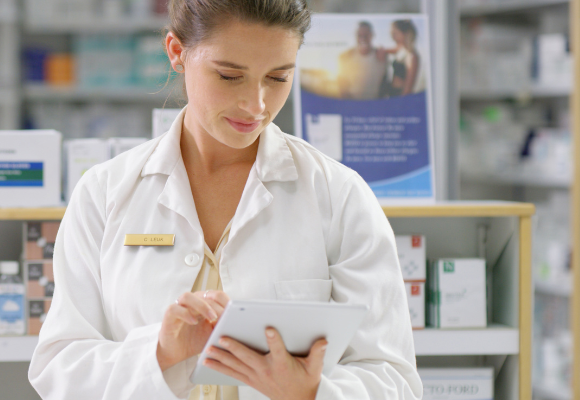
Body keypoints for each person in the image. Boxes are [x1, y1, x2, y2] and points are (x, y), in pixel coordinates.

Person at [27, 1, 422, 399]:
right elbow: (59, 367)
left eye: (278, 77)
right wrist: (159, 354)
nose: (257, 105)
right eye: (230, 76)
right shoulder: (104, 193)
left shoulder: (339, 195)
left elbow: (394, 380)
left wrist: (310, 392)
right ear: (177, 52)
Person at [337, 21, 386, 100]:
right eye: (359, 35)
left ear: (372, 35)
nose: (363, 38)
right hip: (353, 104)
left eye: (366, 35)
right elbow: (342, 87)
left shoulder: (382, 56)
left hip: (375, 104)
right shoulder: (345, 57)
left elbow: (384, 84)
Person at [378, 19, 423, 98]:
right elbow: (389, 50)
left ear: (405, 34)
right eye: (391, 34)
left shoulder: (412, 56)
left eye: (395, 34)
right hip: (392, 92)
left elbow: (408, 88)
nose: (392, 37)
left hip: (400, 94)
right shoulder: (401, 49)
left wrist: (401, 102)